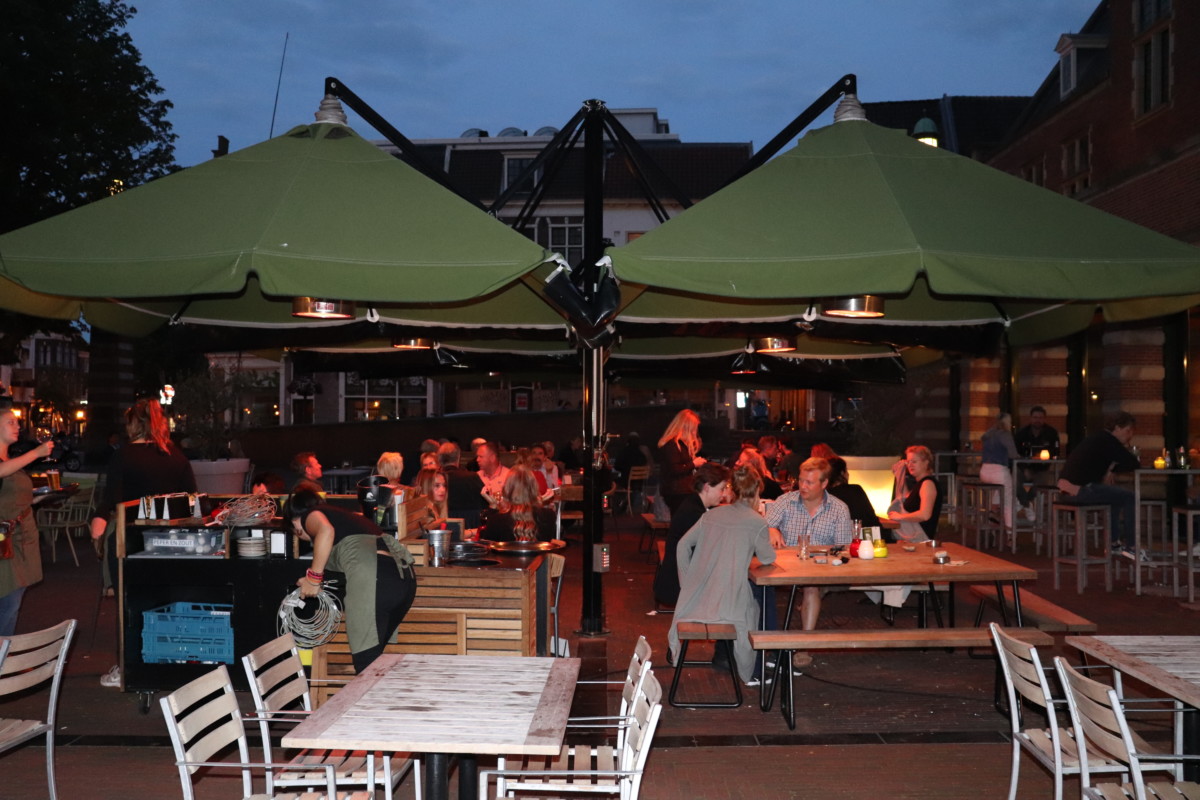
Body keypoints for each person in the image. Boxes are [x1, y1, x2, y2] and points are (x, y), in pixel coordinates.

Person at [90, 397, 197, 688]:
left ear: (133, 423)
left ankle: (128, 666)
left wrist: (98, 523)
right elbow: (191, 499)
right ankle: (165, 660)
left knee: (129, 604)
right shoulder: (176, 456)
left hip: (131, 540)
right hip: (169, 542)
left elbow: (112, 498)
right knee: (165, 601)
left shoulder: (123, 456)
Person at [285, 486, 416, 673]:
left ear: (295, 522)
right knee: (374, 664)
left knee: (366, 664)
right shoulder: (347, 518)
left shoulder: (310, 515)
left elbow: (325, 531)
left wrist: (313, 578)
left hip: (376, 580)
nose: (306, 537)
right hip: (403, 581)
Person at [668, 464, 776, 687]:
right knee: (760, 604)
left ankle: (736, 659)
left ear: (732, 491)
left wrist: (688, 582)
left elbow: (683, 545)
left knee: (755, 601)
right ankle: (757, 667)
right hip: (730, 605)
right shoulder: (757, 522)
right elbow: (767, 559)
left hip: (699, 599)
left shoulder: (712, 515)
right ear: (757, 492)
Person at [765, 457, 854, 666]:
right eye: (801, 480)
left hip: (820, 566)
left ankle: (804, 645)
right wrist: (772, 529)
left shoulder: (839, 509)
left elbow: (844, 547)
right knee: (761, 586)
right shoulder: (786, 501)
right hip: (785, 564)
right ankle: (766, 640)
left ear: (824, 484)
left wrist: (828, 558)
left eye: (809, 482)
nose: (802, 486)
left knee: (811, 586)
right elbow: (763, 526)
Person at [0, 407, 54, 636]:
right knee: (8, 601)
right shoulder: (8, 462)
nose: (18, 426)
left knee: (13, 600)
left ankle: (5, 657)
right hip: (6, 539)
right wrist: (36, 453)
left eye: (17, 422)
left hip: (22, 536)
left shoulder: (10, 458)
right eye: (11, 422)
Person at [1059, 411, 1140, 556]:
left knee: (1113, 498)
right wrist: (1113, 468)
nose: (1130, 435)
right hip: (1081, 490)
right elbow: (1133, 463)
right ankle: (1132, 546)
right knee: (1130, 497)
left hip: (1067, 490)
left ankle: (1114, 543)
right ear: (1117, 428)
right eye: (1128, 431)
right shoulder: (1109, 441)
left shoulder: (1098, 439)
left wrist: (1111, 469)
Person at [652, 463, 730, 609]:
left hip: (682, 576)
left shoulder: (694, 504)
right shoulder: (694, 514)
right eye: (721, 489)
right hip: (680, 584)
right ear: (707, 487)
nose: (724, 494)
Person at [478, 465, 553, 542]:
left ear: (507, 489)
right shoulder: (549, 515)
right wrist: (539, 502)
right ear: (534, 487)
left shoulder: (497, 519)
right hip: (539, 554)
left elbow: (486, 544)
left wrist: (492, 507)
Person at [887, 445, 943, 542]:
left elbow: (925, 515)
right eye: (908, 462)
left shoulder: (927, 484)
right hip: (913, 535)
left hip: (920, 538)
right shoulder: (919, 484)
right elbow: (903, 499)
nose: (910, 465)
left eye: (914, 461)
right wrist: (900, 476)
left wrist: (900, 517)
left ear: (926, 463)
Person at [657, 409, 706, 514]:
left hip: (683, 490)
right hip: (677, 491)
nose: (695, 431)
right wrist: (694, 463)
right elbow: (675, 469)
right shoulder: (672, 445)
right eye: (694, 428)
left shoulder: (681, 445)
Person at [979, 412, 1020, 530]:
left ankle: (993, 513)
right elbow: (1013, 454)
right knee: (1008, 502)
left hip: (984, 471)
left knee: (996, 491)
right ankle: (1010, 534)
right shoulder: (1005, 435)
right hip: (999, 471)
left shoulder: (989, 434)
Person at [438, 441, 486, 527]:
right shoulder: (472, 477)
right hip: (472, 526)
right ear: (458, 457)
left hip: (444, 526)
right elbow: (485, 501)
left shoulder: (435, 481)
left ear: (440, 459)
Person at [826, 456, 881, 531]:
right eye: (846, 470)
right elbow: (870, 519)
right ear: (842, 473)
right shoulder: (855, 490)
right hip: (865, 537)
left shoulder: (824, 495)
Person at [475, 441, 510, 507]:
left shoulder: (509, 476)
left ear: (492, 458)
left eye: (481, 457)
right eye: (477, 456)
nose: (477, 460)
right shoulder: (476, 477)